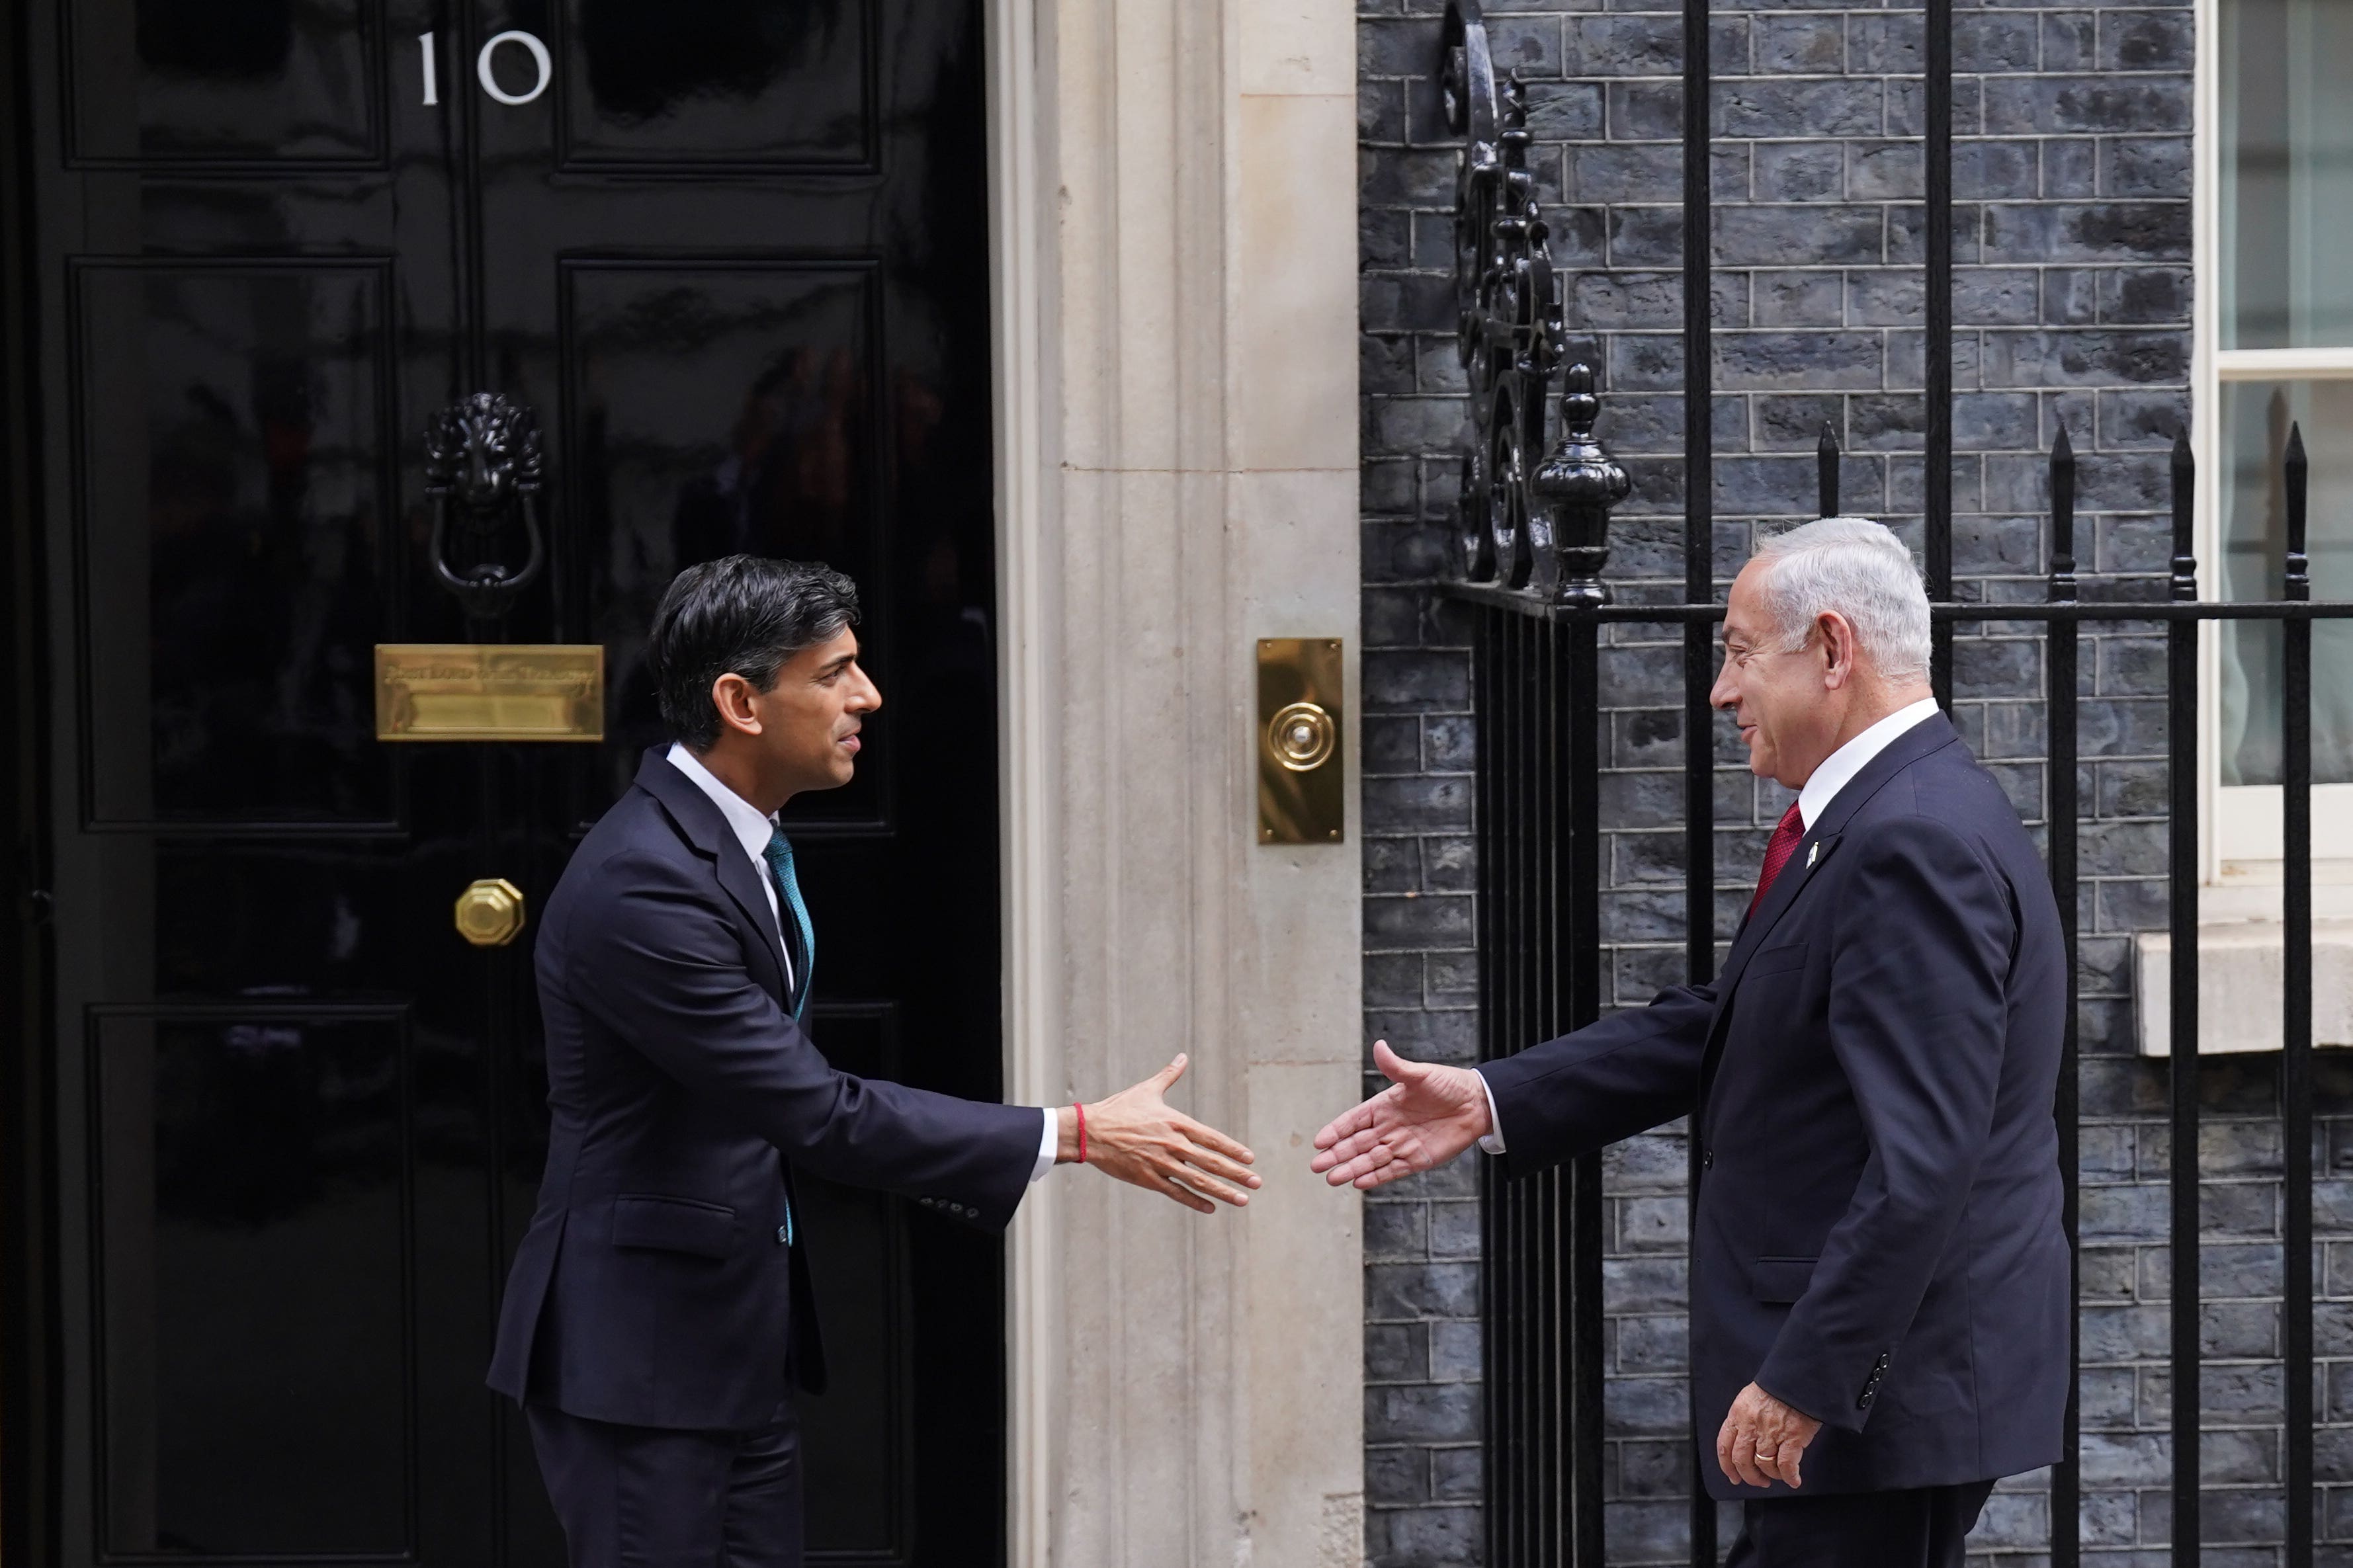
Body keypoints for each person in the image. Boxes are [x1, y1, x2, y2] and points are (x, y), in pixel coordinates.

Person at [1310, 517, 2069, 1567]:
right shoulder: (1884, 817)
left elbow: (1924, 1162)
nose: (1721, 691)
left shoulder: (1911, 840)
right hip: (1875, 1401)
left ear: (1833, 652)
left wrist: (1810, 1376)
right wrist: (1497, 1097)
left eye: (1740, 652)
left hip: (1877, 1408)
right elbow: (1732, 1019)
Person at [489, 555, 1260, 1568]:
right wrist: (1070, 1135)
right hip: (640, 1360)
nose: (869, 696)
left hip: (727, 1345)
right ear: (740, 702)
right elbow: (814, 1109)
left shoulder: (731, 843)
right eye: (834, 673)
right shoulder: (642, 885)